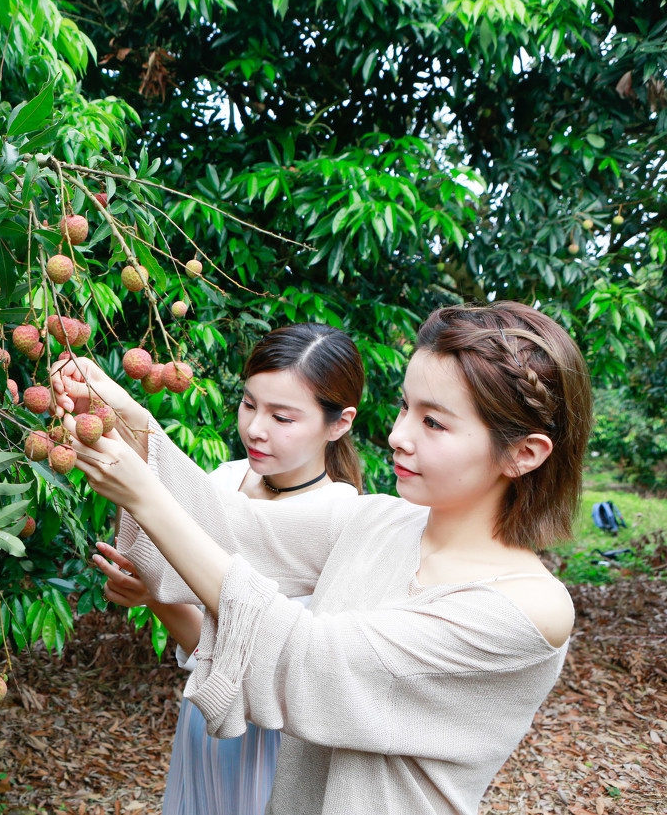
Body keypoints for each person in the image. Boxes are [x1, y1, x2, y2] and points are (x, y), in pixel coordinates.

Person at [51, 302, 587, 815]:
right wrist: (123, 415)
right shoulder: (377, 521)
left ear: (524, 453)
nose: (398, 436)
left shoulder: (527, 608)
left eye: (434, 423)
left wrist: (143, 492)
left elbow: (310, 662)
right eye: (405, 407)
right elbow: (221, 522)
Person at [92, 323, 364, 815]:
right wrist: (151, 593)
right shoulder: (224, 481)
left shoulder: (342, 519)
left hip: (277, 740)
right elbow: (207, 645)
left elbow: (279, 663)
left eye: (282, 417)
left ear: (340, 423)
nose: (256, 428)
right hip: (208, 716)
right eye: (249, 404)